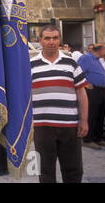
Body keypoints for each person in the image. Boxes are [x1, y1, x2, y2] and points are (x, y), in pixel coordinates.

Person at [31, 25, 89, 183]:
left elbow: (82, 93)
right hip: (42, 127)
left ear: (59, 40)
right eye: (47, 38)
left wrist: (83, 120)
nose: (51, 42)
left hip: (70, 126)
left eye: (55, 38)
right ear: (40, 41)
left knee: (74, 171)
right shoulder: (30, 65)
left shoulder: (71, 64)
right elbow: (25, 96)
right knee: (44, 171)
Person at [78, 44, 105, 149]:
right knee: (92, 114)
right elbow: (78, 71)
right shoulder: (86, 58)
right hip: (92, 91)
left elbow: (100, 74)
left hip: (101, 90)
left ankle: (98, 138)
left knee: (100, 115)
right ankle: (87, 139)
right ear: (99, 50)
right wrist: (85, 82)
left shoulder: (97, 60)